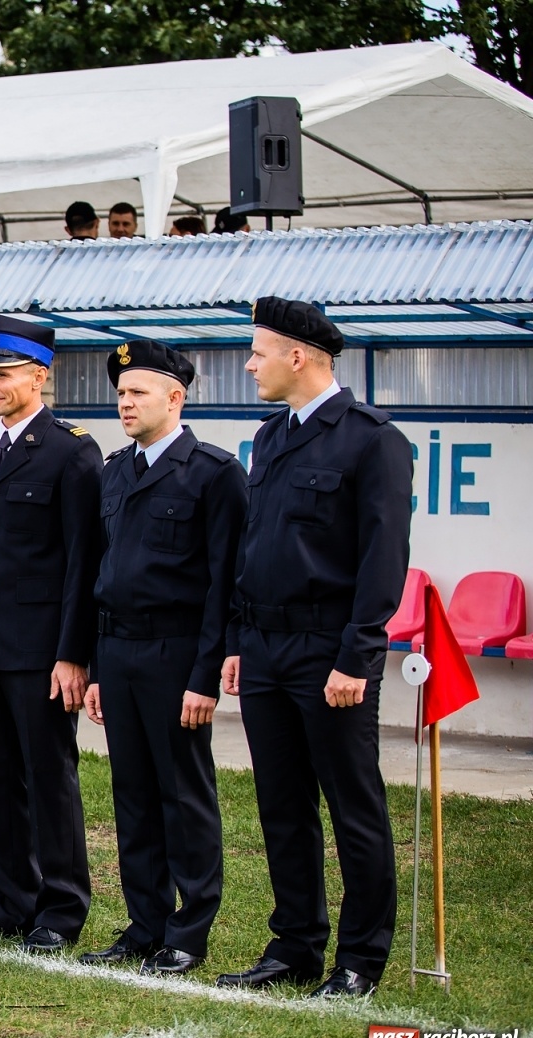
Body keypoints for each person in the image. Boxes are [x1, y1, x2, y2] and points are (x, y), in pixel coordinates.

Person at [217, 298, 412, 998]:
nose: (249, 364)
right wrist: (239, 639)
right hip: (265, 646)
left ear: (297, 357)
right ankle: (295, 945)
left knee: (351, 806)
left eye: (257, 352)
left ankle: (360, 958)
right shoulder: (271, 438)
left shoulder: (371, 440)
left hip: (328, 649)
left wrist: (356, 658)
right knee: (282, 804)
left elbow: (382, 561)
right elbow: (255, 546)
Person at [78, 340, 245, 975]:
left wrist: (205, 676)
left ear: (175, 398)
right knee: (135, 795)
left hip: (176, 654)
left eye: (137, 393)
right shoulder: (115, 471)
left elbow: (224, 583)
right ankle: (144, 923)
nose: (124, 402)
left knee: (183, 793)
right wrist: (95, 667)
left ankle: (188, 930)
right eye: (120, 393)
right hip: (118, 650)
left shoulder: (213, 472)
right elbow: (102, 573)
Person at [0, 315, 102, 953]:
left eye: (1, 374)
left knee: (48, 779)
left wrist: (72, 654)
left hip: (40, 651)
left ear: (40, 375)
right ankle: (10, 900)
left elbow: (81, 564)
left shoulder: (72, 451)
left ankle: (61, 910)